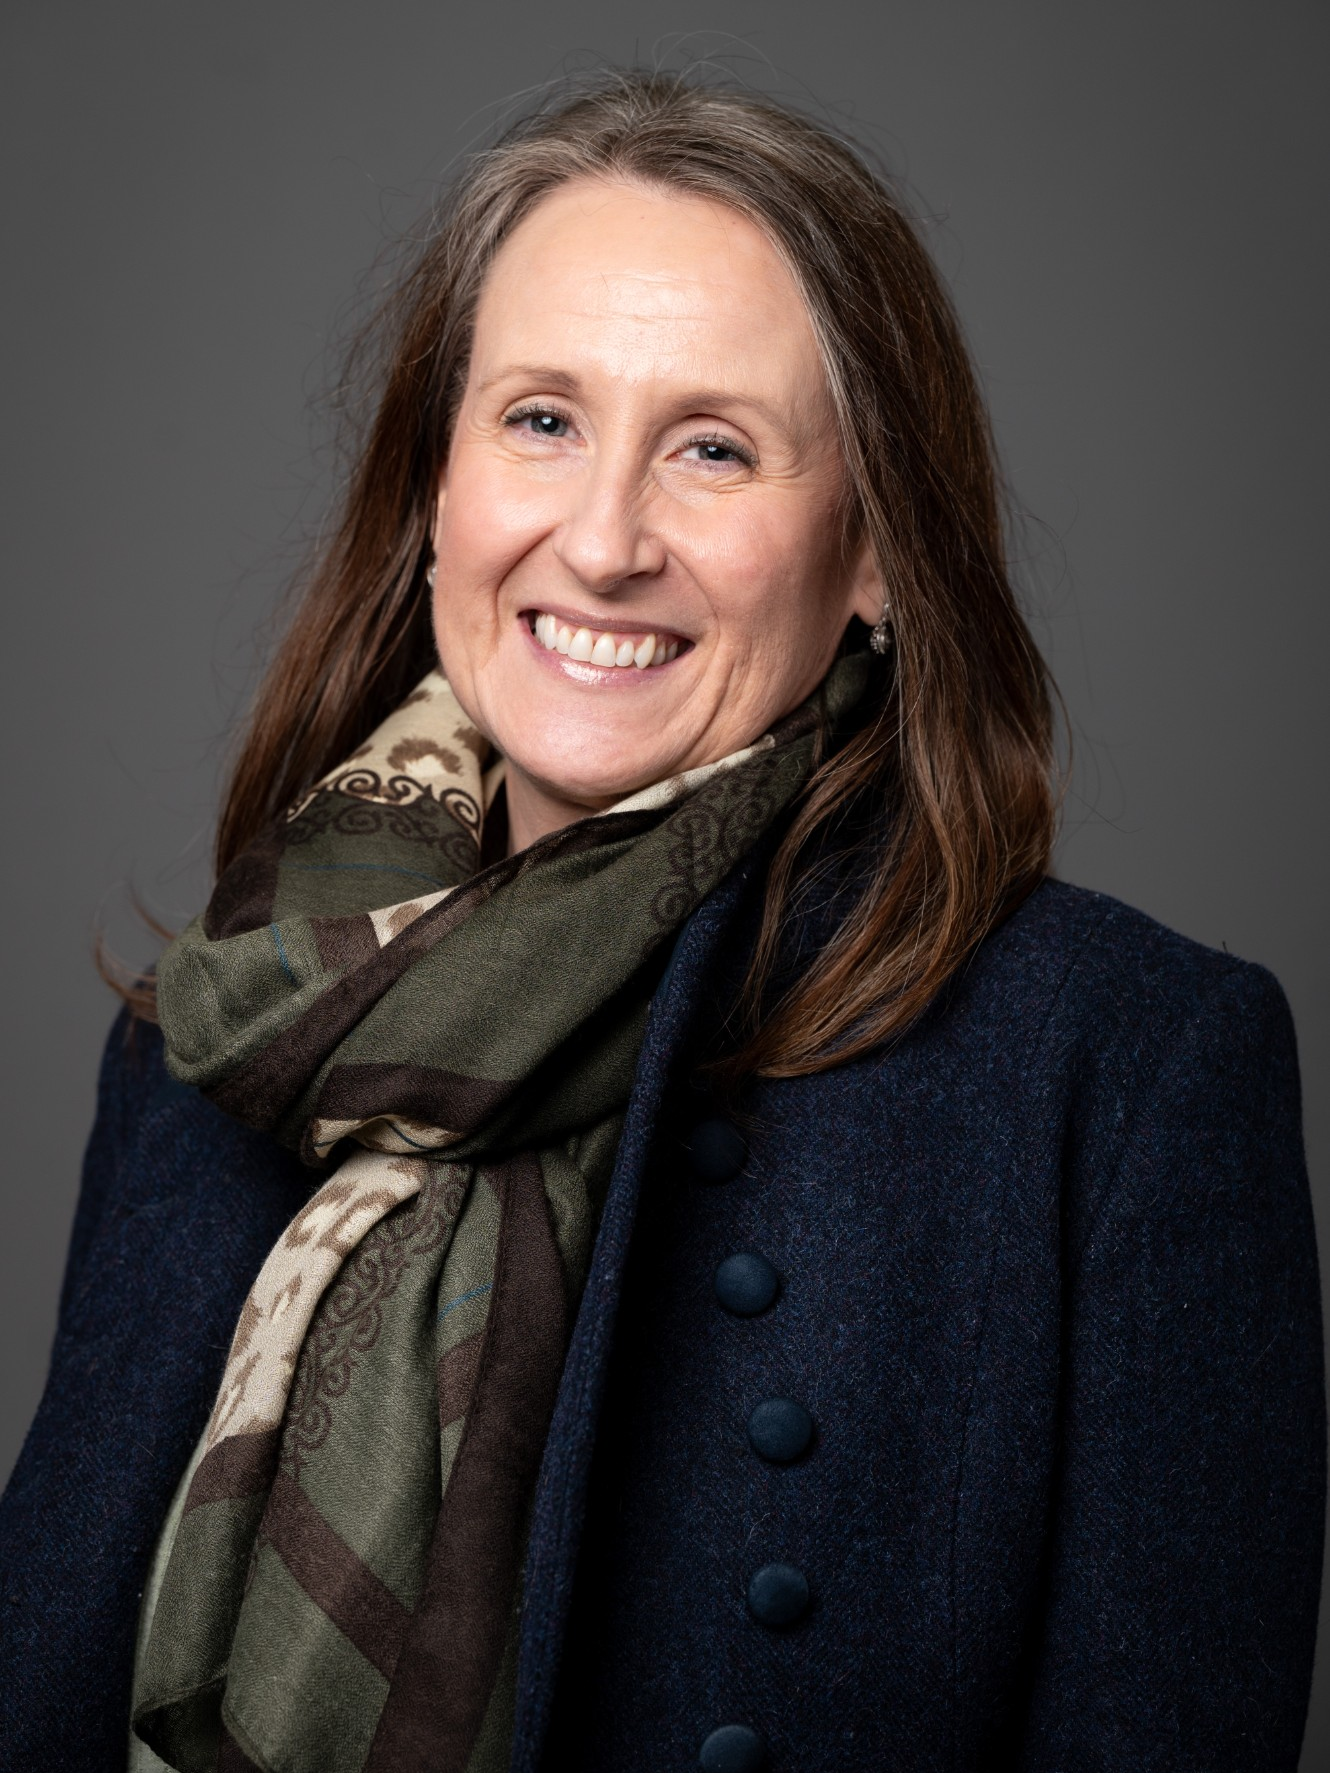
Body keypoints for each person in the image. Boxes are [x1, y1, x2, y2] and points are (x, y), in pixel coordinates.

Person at [0, 70, 1322, 1773]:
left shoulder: (1120, 1074)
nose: (604, 539)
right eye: (540, 421)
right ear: (435, 489)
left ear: (875, 554)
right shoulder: (206, 1036)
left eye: (712, 448)